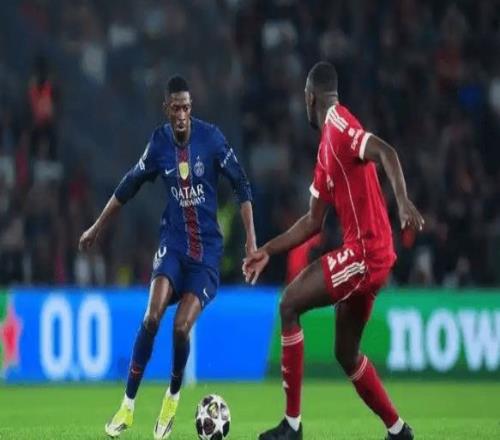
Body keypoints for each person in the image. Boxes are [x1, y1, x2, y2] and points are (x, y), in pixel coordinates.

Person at [243, 62, 424, 440]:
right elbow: (312, 222)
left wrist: (403, 201)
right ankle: (398, 430)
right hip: (374, 255)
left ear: (310, 98)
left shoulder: (340, 125)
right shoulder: (326, 146)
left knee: (289, 304)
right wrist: (267, 250)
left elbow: (386, 151)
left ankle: (292, 426)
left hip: (365, 253)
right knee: (346, 353)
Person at [79, 75, 256, 439]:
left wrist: (251, 243)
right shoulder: (159, 143)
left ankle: (172, 399)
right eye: (175, 108)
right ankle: (127, 406)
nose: (181, 115)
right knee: (151, 317)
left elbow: (241, 183)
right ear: (166, 109)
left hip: (206, 255)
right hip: (173, 246)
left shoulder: (212, 139)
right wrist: (96, 227)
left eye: (186, 108)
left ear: (192, 109)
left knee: (180, 327)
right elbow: (129, 185)